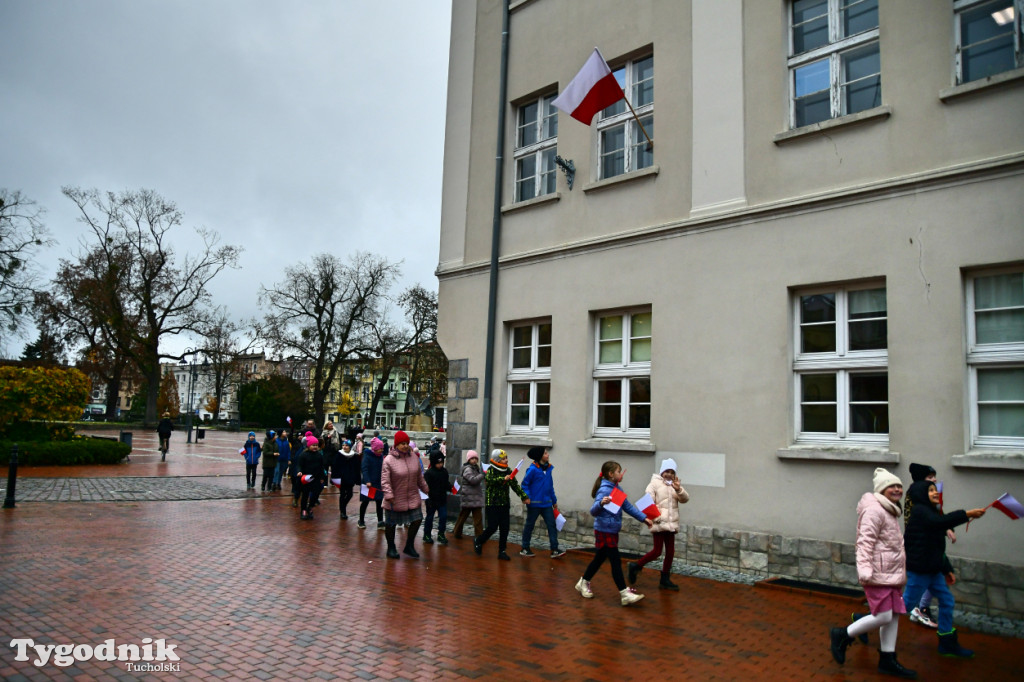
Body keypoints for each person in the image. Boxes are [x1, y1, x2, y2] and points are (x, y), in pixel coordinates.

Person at [829, 468, 916, 678]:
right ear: (881, 490)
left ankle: (888, 659)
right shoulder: (874, 510)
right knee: (884, 615)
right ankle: (843, 634)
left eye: (898, 485)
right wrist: (865, 569)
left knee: (893, 614)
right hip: (876, 573)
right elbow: (865, 542)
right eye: (891, 486)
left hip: (890, 573)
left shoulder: (889, 509)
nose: (897, 489)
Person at [902, 479, 986, 658]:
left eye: (935, 490)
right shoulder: (920, 512)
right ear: (921, 495)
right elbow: (941, 522)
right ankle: (863, 622)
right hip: (920, 571)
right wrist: (967, 513)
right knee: (904, 606)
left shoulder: (932, 512)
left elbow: (937, 547)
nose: (934, 492)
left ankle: (947, 642)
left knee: (947, 601)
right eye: (930, 490)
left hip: (933, 571)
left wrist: (946, 569)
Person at [574, 461, 652, 606]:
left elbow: (627, 507)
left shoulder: (617, 489)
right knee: (615, 561)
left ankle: (583, 582)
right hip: (604, 530)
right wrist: (601, 503)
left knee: (599, 558)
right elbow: (593, 511)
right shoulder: (604, 490)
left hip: (611, 529)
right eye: (618, 471)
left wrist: (644, 519)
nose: (621, 474)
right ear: (611, 474)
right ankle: (624, 593)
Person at [902, 462, 956, 629]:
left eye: (934, 477)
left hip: (933, 546)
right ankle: (868, 619)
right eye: (930, 478)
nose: (934, 480)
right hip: (922, 548)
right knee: (905, 602)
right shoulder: (916, 496)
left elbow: (939, 514)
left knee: (940, 588)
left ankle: (924, 610)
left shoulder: (932, 493)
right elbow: (926, 520)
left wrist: (946, 527)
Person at [628, 457, 690, 590]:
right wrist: (657, 519)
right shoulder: (654, 484)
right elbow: (646, 502)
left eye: (672, 472)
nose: (669, 474)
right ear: (661, 472)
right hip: (659, 523)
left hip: (671, 524)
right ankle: (636, 566)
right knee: (657, 551)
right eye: (666, 471)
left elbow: (685, 499)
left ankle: (665, 579)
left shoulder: (675, 485)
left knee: (670, 552)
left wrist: (679, 489)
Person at [380, 430, 429, 559]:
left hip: (412, 496)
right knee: (391, 524)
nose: (405, 446)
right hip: (395, 498)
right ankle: (391, 547)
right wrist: (389, 495)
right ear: (396, 444)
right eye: (402, 443)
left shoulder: (414, 457)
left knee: (417, 519)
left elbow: (419, 477)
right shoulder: (388, 460)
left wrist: (426, 489)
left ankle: (409, 546)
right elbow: (385, 481)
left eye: (406, 443)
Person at [473, 449, 529, 561]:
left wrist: (524, 497)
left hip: (504, 503)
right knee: (492, 527)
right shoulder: (491, 470)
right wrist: (502, 479)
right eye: (503, 458)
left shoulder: (508, 470)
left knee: (505, 528)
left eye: (506, 457)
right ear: (498, 459)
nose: (506, 460)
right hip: (492, 503)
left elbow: (515, 485)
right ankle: (479, 541)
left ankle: (502, 551)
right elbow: (490, 480)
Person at [520, 446, 566, 559]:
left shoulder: (549, 469)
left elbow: (550, 487)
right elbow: (524, 485)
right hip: (534, 503)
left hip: (547, 503)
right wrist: (527, 497)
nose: (548, 455)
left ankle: (554, 549)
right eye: (545, 453)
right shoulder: (532, 470)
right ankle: (525, 548)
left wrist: (554, 501)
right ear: (540, 456)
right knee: (529, 525)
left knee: (552, 525)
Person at [452, 450, 485, 540]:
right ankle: (457, 532)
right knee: (463, 516)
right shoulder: (467, 469)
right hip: (468, 497)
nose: (474, 460)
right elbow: (473, 480)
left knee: (478, 518)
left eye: (475, 458)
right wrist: (482, 475)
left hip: (475, 497)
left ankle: (479, 536)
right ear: (468, 459)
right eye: (472, 458)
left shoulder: (475, 468)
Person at [423, 450, 450, 545]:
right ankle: (427, 534)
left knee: (443, 516)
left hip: (442, 499)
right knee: (430, 517)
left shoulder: (444, 471)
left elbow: (446, 483)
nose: (440, 465)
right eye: (438, 463)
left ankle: (441, 534)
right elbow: (426, 487)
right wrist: (428, 498)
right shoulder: (429, 473)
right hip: (431, 500)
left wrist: (451, 487)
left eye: (442, 462)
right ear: (433, 463)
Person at [295, 434, 325, 520]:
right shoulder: (303, 455)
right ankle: (303, 510)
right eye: (313, 445)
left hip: (316, 477)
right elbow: (299, 465)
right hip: (306, 477)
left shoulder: (319, 455)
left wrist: (322, 477)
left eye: (316, 445)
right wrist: (299, 471)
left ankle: (310, 506)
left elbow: (321, 466)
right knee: (305, 494)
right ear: (309, 446)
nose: (315, 447)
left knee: (316, 494)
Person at [359, 437, 385, 530]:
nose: (381, 450)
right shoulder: (367, 456)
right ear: (374, 448)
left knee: (379, 502)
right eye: (380, 448)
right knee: (365, 502)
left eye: (382, 448)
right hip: (368, 483)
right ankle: (361, 520)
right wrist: (367, 480)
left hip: (378, 482)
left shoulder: (381, 456)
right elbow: (364, 469)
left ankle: (380, 521)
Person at [331, 439, 360, 519]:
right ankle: (343, 511)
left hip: (350, 477)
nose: (344, 447)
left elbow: (357, 468)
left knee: (350, 494)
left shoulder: (354, 456)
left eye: (346, 445)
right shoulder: (339, 455)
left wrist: (357, 479)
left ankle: (343, 506)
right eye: (343, 445)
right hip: (341, 478)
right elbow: (334, 467)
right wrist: (334, 478)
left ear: (350, 447)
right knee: (342, 494)